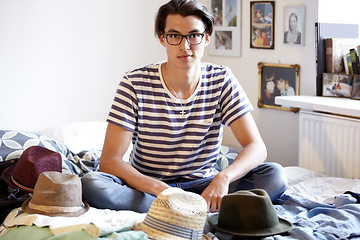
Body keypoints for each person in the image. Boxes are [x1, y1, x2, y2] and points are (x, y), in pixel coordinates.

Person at [81, 0, 287, 214]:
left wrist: (222, 178)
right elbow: (109, 161)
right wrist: (160, 189)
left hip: (204, 186)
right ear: (163, 38)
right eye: (174, 36)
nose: (185, 45)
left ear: (206, 37)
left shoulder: (222, 79)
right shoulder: (134, 83)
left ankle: (184, 209)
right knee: (91, 184)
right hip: (149, 188)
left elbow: (256, 147)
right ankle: (193, 210)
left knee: (274, 175)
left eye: (194, 35)